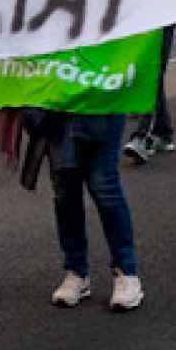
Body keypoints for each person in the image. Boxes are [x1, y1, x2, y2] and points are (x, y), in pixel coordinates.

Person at [47, 108, 145, 312]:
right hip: (59, 106)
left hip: (101, 102)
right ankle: (76, 270)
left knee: (104, 186)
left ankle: (126, 271)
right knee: (65, 188)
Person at [123, 23, 176, 164]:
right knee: (149, 72)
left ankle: (142, 136)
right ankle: (162, 132)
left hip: (160, 13)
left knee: (151, 72)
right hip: (142, 13)